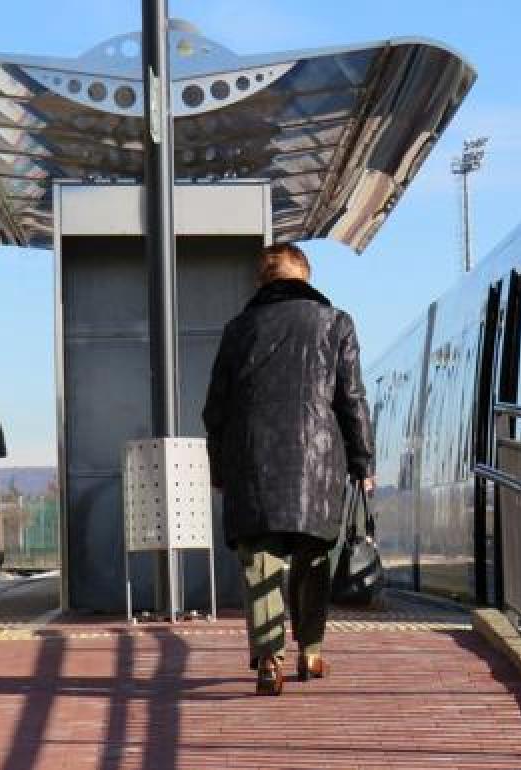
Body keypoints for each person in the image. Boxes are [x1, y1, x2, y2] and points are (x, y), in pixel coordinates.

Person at [202, 242, 375, 696]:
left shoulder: (237, 330)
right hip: (319, 465)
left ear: (262, 281)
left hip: (251, 460)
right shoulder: (336, 323)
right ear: (307, 277)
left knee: (262, 563)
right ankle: (311, 652)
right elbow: (351, 400)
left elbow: (214, 410)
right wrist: (362, 462)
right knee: (313, 559)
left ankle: (269, 659)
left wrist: (218, 467)